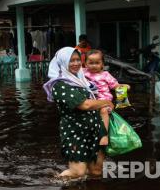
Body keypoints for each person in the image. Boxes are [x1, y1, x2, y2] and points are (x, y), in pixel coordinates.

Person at [43, 47, 114, 180]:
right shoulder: (59, 84)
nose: (75, 63)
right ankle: (57, 181)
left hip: (97, 130)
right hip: (76, 133)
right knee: (78, 173)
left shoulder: (83, 80)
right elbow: (85, 104)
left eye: (77, 60)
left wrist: (104, 131)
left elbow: (97, 99)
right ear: (62, 63)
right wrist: (107, 103)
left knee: (96, 171)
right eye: (71, 61)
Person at [83, 49, 129, 146]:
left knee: (103, 111)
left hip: (104, 101)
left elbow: (115, 85)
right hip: (90, 100)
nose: (94, 65)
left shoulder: (105, 75)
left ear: (102, 64)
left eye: (97, 63)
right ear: (85, 64)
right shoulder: (83, 73)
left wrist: (123, 87)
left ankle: (104, 136)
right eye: (91, 63)